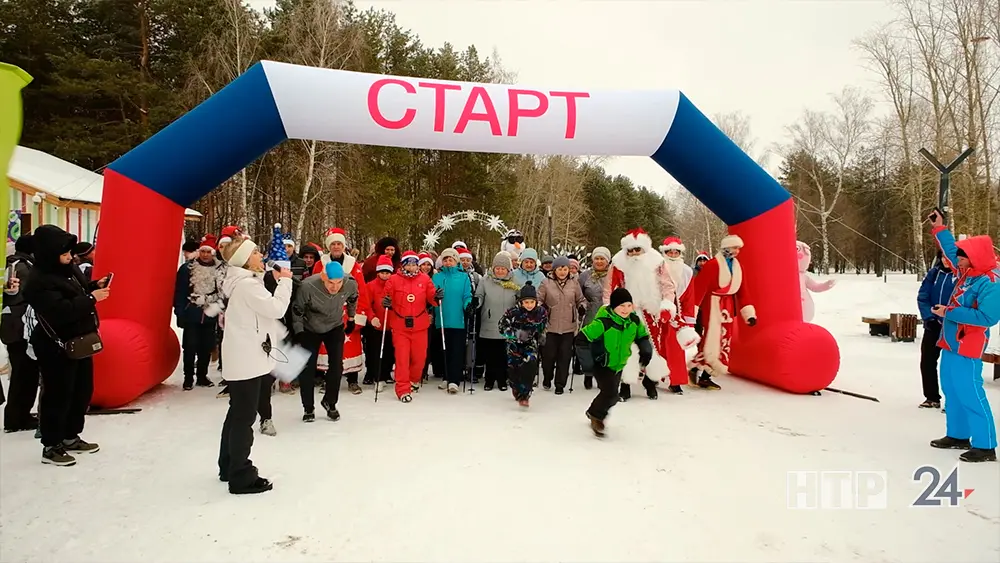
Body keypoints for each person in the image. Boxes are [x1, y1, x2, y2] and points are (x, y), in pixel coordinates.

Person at [23, 225, 110, 466]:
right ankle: (52, 445)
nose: (71, 257)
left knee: (81, 391)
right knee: (58, 394)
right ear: (50, 253)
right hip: (56, 344)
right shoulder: (38, 280)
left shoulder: (68, 269)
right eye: (65, 254)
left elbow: (77, 292)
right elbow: (60, 311)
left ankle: (71, 435)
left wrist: (93, 287)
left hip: (80, 341)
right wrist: (92, 299)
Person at [218, 236, 292, 493]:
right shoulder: (248, 286)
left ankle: (228, 465)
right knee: (244, 417)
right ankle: (241, 475)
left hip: (244, 357)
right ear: (245, 259)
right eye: (256, 252)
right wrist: (285, 282)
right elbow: (276, 309)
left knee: (236, 413)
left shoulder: (243, 283)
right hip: (246, 360)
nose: (261, 255)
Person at [926, 210, 998, 463]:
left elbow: (987, 318)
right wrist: (939, 228)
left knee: (970, 390)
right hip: (951, 341)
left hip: (969, 343)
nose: (956, 259)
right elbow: (948, 249)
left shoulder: (991, 281)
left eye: (962, 255)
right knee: (951, 387)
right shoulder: (968, 270)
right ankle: (958, 434)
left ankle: (985, 444)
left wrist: (950, 311)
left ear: (975, 257)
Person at [604, 228, 682, 400]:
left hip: (651, 313)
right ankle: (625, 384)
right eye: (630, 250)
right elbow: (609, 289)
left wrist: (667, 305)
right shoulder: (618, 263)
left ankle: (650, 380)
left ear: (644, 249)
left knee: (652, 348)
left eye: (637, 250)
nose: (633, 254)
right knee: (626, 348)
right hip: (626, 313)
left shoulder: (657, 262)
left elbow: (668, 286)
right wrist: (609, 310)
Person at [687, 235, 758, 390]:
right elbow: (699, 288)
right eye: (735, 248)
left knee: (724, 342)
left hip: (728, 308)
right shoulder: (712, 265)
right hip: (712, 306)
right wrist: (693, 311)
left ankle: (703, 374)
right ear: (727, 248)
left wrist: (749, 313)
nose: (737, 251)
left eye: (738, 248)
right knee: (711, 341)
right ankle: (698, 371)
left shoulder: (739, 267)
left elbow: (743, 291)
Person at [580, 288, 652, 437]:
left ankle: (593, 411)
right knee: (611, 393)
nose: (625, 310)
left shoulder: (634, 321)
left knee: (612, 395)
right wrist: (587, 362)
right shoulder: (603, 323)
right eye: (621, 306)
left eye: (628, 305)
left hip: (619, 364)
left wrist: (646, 349)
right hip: (602, 363)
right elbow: (581, 339)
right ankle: (597, 417)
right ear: (613, 307)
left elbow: (642, 336)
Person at [292, 259, 359, 422]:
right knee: (307, 368)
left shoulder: (350, 283)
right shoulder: (307, 286)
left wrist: (351, 318)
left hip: (334, 326)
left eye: (338, 282)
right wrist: (299, 331)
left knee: (337, 365)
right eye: (330, 282)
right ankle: (308, 407)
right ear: (323, 276)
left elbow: (353, 298)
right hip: (310, 328)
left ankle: (330, 402)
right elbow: (297, 310)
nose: (334, 287)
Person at [313, 227, 370, 395]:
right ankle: (328, 379)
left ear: (343, 246)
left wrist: (359, 313)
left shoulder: (354, 266)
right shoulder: (320, 264)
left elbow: (361, 290)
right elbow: (314, 288)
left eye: (339, 244)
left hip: (349, 312)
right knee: (327, 346)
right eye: (333, 244)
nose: (336, 247)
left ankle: (352, 380)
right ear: (329, 247)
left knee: (350, 345)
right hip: (327, 311)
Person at [384, 251, 439, 402]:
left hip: (420, 325)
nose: (412, 267)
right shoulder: (394, 280)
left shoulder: (425, 279)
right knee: (402, 359)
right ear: (403, 265)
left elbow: (432, 297)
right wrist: (386, 301)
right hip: (400, 326)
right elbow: (386, 295)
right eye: (408, 264)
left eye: (414, 264)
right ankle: (402, 389)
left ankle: (414, 380)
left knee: (419, 359)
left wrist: (437, 296)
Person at [174, 234, 226, 390]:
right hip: (191, 313)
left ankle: (202, 376)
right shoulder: (187, 268)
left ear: (213, 253)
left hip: (211, 313)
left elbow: (223, 291)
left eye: (208, 252)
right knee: (189, 347)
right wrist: (179, 312)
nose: (205, 255)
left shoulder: (219, 269)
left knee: (207, 346)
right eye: (202, 251)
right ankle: (188, 377)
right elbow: (179, 292)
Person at [2, 234, 39, 433]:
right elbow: (25, 296)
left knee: (25, 373)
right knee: (23, 373)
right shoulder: (21, 267)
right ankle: (17, 418)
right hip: (19, 328)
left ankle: (20, 414)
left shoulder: (21, 264)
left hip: (17, 327)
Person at [537, 256, 587, 394]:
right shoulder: (546, 283)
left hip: (568, 327)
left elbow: (581, 299)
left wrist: (582, 307)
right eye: (560, 269)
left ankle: (560, 384)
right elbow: (538, 299)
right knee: (548, 357)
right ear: (554, 270)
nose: (563, 271)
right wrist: (541, 309)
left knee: (564, 358)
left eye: (565, 268)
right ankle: (547, 378)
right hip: (550, 326)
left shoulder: (574, 283)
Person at [475, 252, 520, 390]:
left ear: (508, 269)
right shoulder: (485, 280)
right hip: (490, 321)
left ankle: (502, 380)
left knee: (503, 355)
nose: (500, 271)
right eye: (497, 268)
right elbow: (479, 295)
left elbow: (521, 296)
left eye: (503, 268)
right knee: (490, 355)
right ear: (493, 268)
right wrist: (476, 302)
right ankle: (489, 380)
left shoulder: (515, 281)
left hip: (508, 324)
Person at [916, 249, 955, 409]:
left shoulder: (962, 276)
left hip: (954, 327)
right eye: (942, 257)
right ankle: (932, 397)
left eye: (949, 258)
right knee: (927, 361)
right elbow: (923, 296)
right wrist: (928, 317)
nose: (945, 261)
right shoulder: (934, 273)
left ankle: (953, 402)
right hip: (933, 325)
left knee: (951, 365)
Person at [498, 281, 548, 406]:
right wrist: (515, 333)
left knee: (530, 365)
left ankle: (525, 394)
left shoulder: (541, 312)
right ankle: (516, 388)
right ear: (521, 302)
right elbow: (501, 327)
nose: (529, 305)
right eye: (526, 302)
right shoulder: (512, 312)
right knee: (514, 369)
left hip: (530, 343)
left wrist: (542, 335)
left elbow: (543, 326)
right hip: (514, 344)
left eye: (532, 302)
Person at [433, 247, 472, 394]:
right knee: (444, 349)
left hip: (458, 319)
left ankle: (454, 379)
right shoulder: (437, 277)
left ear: (456, 261)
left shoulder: (463, 277)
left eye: (451, 260)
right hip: (442, 318)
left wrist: (468, 305)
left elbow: (467, 295)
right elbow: (431, 295)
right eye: (446, 260)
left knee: (456, 350)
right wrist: (435, 296)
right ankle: (446, 376)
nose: (448, 262)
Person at [578, 246, 612, 390]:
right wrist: (582, 305)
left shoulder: (613, 274)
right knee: (590, 345)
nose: (599, 261)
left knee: (605, 346)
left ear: (607, 261)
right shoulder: (585, 275)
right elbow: (578, 294)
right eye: (596, 258)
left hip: (608, 313)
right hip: (591, 312)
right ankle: (588, 374)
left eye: (602, 259)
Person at [363, 255, 395, 387]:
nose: (385, 275)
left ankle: (386, 373)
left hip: (391, 324)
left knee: (389, 351)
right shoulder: (370, 286)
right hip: (376, 325)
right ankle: (375, 375)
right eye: (382, 272)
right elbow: (366, 304)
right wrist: (372, 318)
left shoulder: (394, 285)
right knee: (374, 351)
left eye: (387, 273)